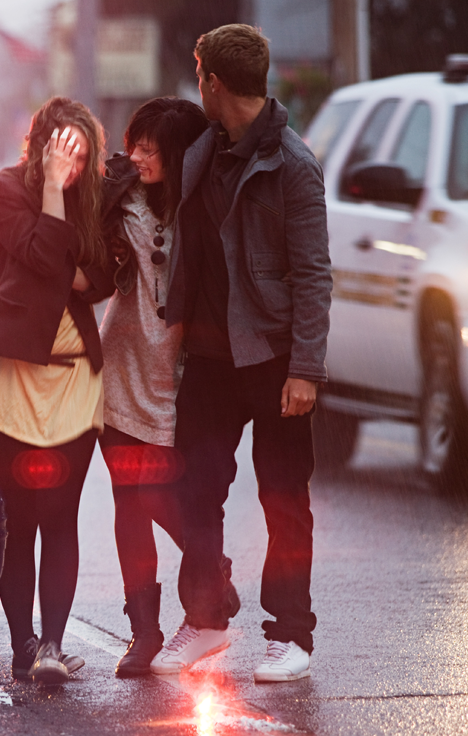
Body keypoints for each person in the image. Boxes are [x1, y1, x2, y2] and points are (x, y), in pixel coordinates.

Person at [148, 24, 331, 682]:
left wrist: (306, 369)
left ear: (214, 81)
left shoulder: (292, 166)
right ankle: (203, 624)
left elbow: (313, 275)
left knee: (284, 499)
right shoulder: (201, 149)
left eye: (198, 73)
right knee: (196, 490)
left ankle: (292, 635)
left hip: (275, 357)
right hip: (210, 357)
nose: (196, 84)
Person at [0, 96, 113, 684]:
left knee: (61, 515)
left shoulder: (94, 202)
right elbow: (51, 256)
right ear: (41, 145)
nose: (71, 166)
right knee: (18, 518)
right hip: (14, 375)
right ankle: (23, 646)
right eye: (62, 151)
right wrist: (53, 194)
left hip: (76, 378)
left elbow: (102, 276)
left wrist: (64, 260)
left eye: (81, 155)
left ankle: (52, 646)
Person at [96, 97, 240, 678]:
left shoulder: (202, 206)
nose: (140, 155)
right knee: (129, 500)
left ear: (181, 154)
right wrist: (111, 179)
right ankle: (144, 631)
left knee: (168, 496)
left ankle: (211, 569)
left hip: (182, 377)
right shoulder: (120, 198)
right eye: (137, 142)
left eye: (154, 146)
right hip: (122, 371)